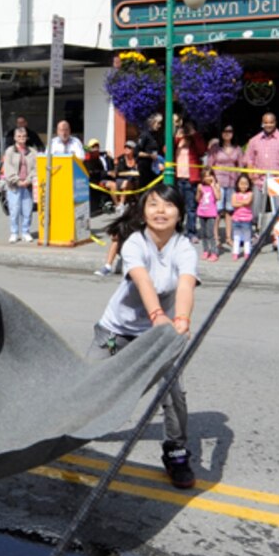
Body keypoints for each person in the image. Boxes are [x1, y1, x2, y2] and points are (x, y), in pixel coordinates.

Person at [94, 186, 201, 489]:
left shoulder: (184, 247)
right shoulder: (133, 243)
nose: (160, 211)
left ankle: (177, 453)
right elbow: (142, 280)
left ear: (180, 213)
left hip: (157, 337)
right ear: (142, 212)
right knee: (88, 386)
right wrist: (158, 316)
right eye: (153, 205)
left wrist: (181, 319)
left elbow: (185, 285)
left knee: (174, 393)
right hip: (115, 331)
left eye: (168, 205)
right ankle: (59, 438)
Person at [242, 111, 279, 234]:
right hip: (259, 181)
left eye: (271, 122)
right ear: (262, 123)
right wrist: (251, 176)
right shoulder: (254, 140)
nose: (268, 125)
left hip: (277, 182)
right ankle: (257, 233)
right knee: (256, 212)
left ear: (275, 123)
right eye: (266, 122)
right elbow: (249, 159)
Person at [0, 125, 37, 243]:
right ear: (15, 138)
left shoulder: (32, 152)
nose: (22, 138)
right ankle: (14, 233)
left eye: (24, 136)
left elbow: (36, 168)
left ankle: (26, 232)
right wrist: (17, 181)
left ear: (27, 137)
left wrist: (28, 180)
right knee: (14, 210)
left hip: (27, 185)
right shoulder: (10, 151)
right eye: (19, 136)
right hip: (14, 186)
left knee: (27, 210)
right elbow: (8, 168)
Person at [227, 172, 257, 259]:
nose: (243, 186)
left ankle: (247, 252)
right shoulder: (235, 194)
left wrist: (239, 202)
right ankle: (235, 252)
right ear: (237, 184)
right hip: (236, 219)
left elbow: (248, 202)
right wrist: (243, 203)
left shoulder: (250, 194)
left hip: (247, 219)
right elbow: (233, 204)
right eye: (241, 184)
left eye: (246, 184)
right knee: (236, 237)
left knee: (247, 238)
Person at [194, 169, 221, 261]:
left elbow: (218, 197)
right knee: (204, 233)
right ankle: (206, 250)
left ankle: (214, 252)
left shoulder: (216, 185)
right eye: (205, 176)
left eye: (210, 175)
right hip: (202, 212)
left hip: (211, 213)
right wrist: (199, 191)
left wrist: (213, 186)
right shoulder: (201, 186)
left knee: (210, 234)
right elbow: (197, 199)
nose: (208, 178)